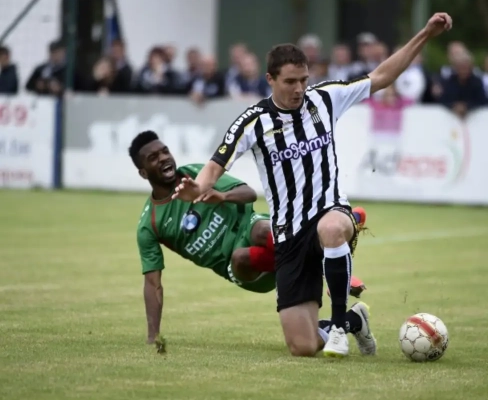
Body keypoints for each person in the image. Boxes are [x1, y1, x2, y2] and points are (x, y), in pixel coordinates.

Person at [172, 13, 453, 358]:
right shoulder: (254, 121)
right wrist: (198, 188)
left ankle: (338, 327)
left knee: (331, 228)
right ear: (270, 79)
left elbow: (381, 76)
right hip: (289, 234)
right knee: (302, 347)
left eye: (304, 80)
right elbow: (216, 164)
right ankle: (354, 320)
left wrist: (425, 34)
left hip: (330, 212)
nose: (299, 89)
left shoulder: (325, 98)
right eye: (290, 81)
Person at [130, 131, 367, 345]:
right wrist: (153, 335)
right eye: (153, 158)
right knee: (240, 257)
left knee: (262, 229)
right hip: (241, 268)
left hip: (250, 227)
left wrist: (222, 196)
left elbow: (249, 194)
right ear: (143, 173)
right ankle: (338, 262)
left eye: (165, 151)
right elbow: (152, 283)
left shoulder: (195, 175)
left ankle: (335, 280)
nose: (163, 158)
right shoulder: (150, 224)